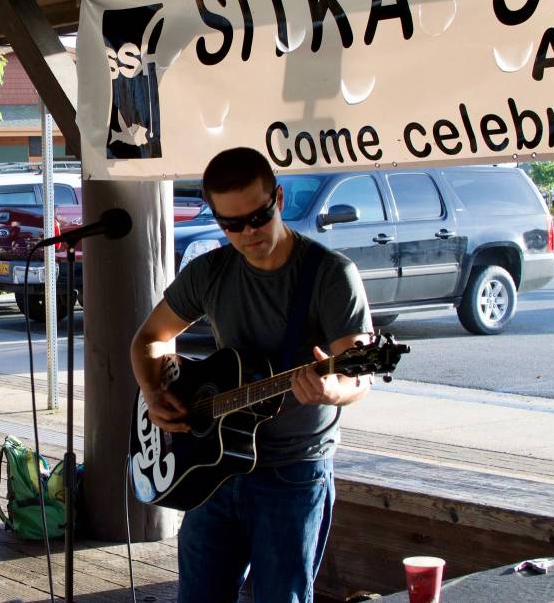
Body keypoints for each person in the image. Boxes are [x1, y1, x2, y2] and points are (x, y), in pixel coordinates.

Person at [130, 147, 373, 603]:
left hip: (292, 472)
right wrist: (153, 389)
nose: (248, 233)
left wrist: (331, 389)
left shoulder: (330, 275)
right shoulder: (212, 271)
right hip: (213, 467)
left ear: (278, 198)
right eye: (231, 224)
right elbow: (150, 338)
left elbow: (358, 372)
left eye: (258, 217)